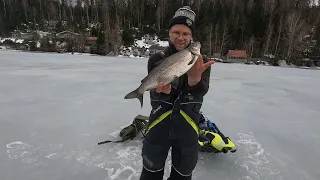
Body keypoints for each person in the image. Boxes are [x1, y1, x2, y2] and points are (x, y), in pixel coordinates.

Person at [139, 6, 215, 180]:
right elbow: (155, 96)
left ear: (191, 37)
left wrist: (194, 81)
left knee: (182, 176)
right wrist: (162, 92)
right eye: (176, 32)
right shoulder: (156, 59)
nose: (180, 37)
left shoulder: (200, 61)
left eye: (186, 34)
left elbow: (201, 92)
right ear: (169, 34)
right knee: (150, 173)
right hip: (159, 123)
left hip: (187, 126)